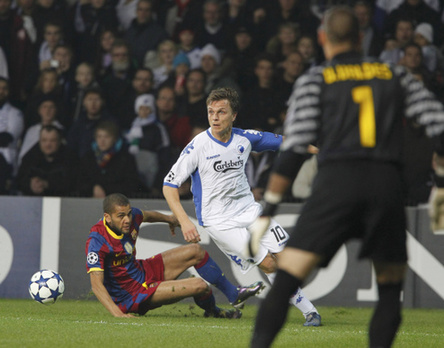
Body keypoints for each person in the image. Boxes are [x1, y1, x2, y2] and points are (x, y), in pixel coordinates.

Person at [249, 6, 444, 347]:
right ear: (360, 38)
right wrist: (440, 182)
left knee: (285, 282)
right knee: (389, 291)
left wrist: (268, 210)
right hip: (385, 186)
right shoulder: (394, 74)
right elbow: (439, 125)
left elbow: (294, 150)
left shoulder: (314, 79)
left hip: (335, 185)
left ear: (323, 38)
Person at [163, 87, 321, 327]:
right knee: (268, 263)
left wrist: (321, 152)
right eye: (211, 112)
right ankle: (310, 312)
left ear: (233, 115)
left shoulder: (244, 138)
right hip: (218, 220)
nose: (215, 118)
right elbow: (169, 185)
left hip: (250, 210)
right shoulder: (198, 147)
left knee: (287, 258)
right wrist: (185, 220)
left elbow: (284, 143)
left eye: (221, 112)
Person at [85, 193, 264, 317]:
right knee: (200, 285)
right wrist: (118, 314)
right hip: (131, 296)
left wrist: (170, 219)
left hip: (142, 271)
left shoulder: (133, 217)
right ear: (107, 217)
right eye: (121, 216)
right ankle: (215, 312)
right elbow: (96, 285)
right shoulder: (97, 240)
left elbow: (146, 215)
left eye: (128, 214)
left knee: (195, 250)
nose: (127, 220)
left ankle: (234, 294)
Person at [17, 125, 78, 196]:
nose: (48, 145)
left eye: (52, 140)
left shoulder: (71, 158)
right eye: (44, 140)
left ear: (59, 141)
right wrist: (30, 185)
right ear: (39, 141)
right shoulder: (30, 157)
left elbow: (74, 183)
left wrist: (48, 184)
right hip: (34, 201)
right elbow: (19, 181)